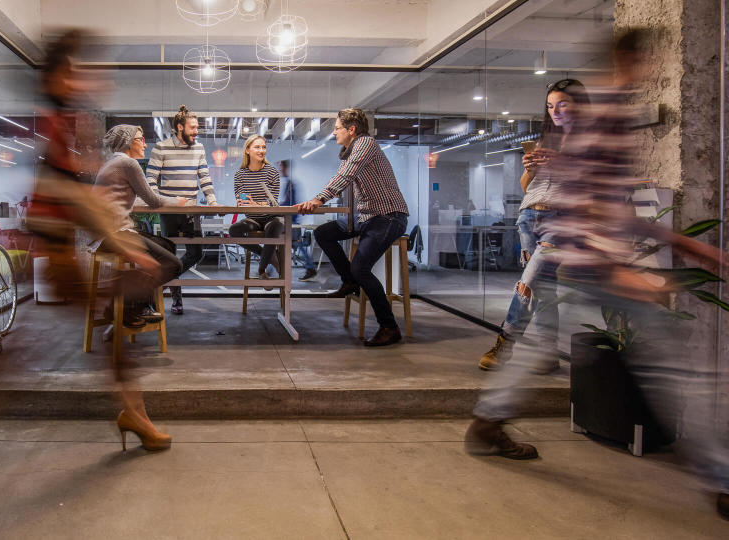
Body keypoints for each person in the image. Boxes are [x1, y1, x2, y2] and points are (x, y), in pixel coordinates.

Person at [464, 28, 729, 521]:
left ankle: (488, 419)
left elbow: (602, 201)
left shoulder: (601, 121)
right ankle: (721, 475)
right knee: (670, 372)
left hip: (582, 257)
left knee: (543, 341)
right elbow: (586, 203)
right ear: (630, 61)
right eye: (645, 61)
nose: (649, 71)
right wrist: (617, 268)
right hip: (595, 263)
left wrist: (682, 242)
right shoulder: (603, 118)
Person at [478, 79, 589, 372]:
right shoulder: (546, 141)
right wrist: (531, 169)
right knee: (543, 290)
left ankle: (505, 343)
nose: (556, 111)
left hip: (561, 220)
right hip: (529, 217)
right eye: (551, 106)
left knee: (527, 282)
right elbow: (528, 186)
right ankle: (548, 354)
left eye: (563, 103)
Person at [297, 108, 409, 347]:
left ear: (352, 129)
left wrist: (319, 199)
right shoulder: (351, 150)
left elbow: (346, 174)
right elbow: (344, 175)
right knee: (323, 233)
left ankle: (389, 327)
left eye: (337, 128)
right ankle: (349, 282)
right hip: (365, 217)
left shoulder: (365, 143)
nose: (335, 132)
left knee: (361, 269)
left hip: (387, 216)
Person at [95, 124, 185, 324]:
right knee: (174, 264)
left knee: (167, 245)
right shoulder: (128, 164)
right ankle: (124, 305)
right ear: (128, 142)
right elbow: (154, 201)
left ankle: (141, 305)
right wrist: (177, 201)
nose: (145, 143)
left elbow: (125, 197)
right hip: (114, 234)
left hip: (105, 233)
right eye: (140, 139)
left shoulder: (113, 163)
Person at [146, 105, 220, 315]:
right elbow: (150, 179)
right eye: (193, 127)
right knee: (169, 255)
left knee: (195, 253)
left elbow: (204, 178)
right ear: (180, 127)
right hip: (169, 211)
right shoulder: (161, 147)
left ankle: (158, 283)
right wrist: (162, 200)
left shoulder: (199, 149)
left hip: (191, 211)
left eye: (197, 127)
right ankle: (176, 300)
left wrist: (213, 201)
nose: (197, 131)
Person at [230, 135, 282, 285]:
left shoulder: (272, 172)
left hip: (270, 217)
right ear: (247, 150)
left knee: (276, 225)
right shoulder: (240, 175)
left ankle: (261, 269)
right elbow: (241, 201)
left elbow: (273, 202)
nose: (261, 150)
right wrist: (242, 203)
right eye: (257, 147)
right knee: (234, 230)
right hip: (252, 218)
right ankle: (269, 256)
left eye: (263, 147)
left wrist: (256, 204)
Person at [279, 159, 317, 281]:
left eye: (281, 168)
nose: (280, 170)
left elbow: (290, 202)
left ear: (286, 168)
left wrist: (277, 207)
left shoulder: (291, 184)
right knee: (292, 244)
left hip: (291, 219)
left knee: (289, 243)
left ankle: (310, 267)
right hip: (290, 219)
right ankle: (310, 267)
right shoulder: (290, 184)